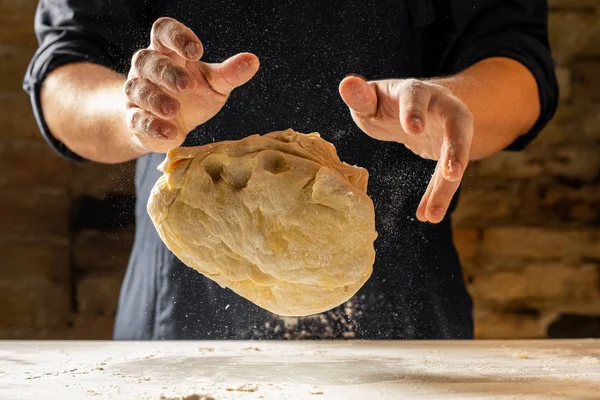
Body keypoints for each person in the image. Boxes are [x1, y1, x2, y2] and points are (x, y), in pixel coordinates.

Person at [24, 0, 558, 340]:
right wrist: (143, 112)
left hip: (405, 310)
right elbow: (63, 73)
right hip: (181, 309)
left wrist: (449, 103)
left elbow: (517, 58)